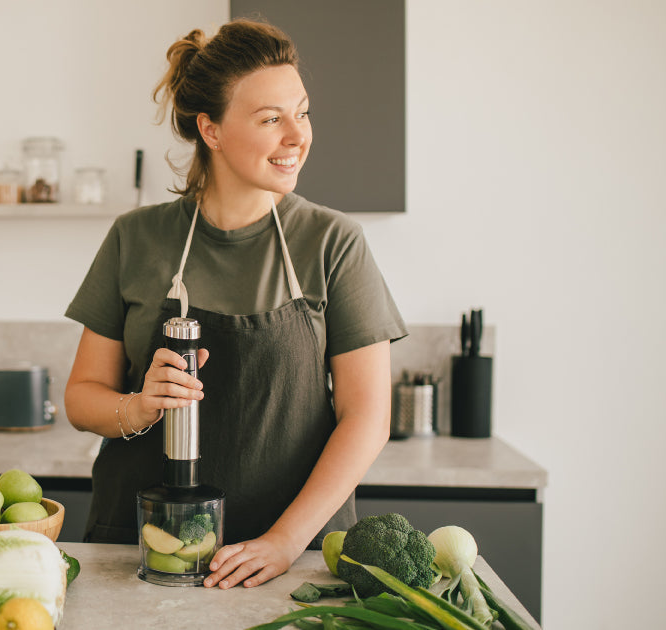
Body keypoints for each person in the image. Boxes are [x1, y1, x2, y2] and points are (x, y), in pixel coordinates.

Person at [63, 17, 408, 590]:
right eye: (271, 119)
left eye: (302, 112)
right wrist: (140, 407)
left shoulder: (332, 243)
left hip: (289, 565)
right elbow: (81, 398)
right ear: (212, 130)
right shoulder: (136, 238)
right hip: (144, 557)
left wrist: (284, 541)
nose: (298, 136)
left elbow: (367, 417)